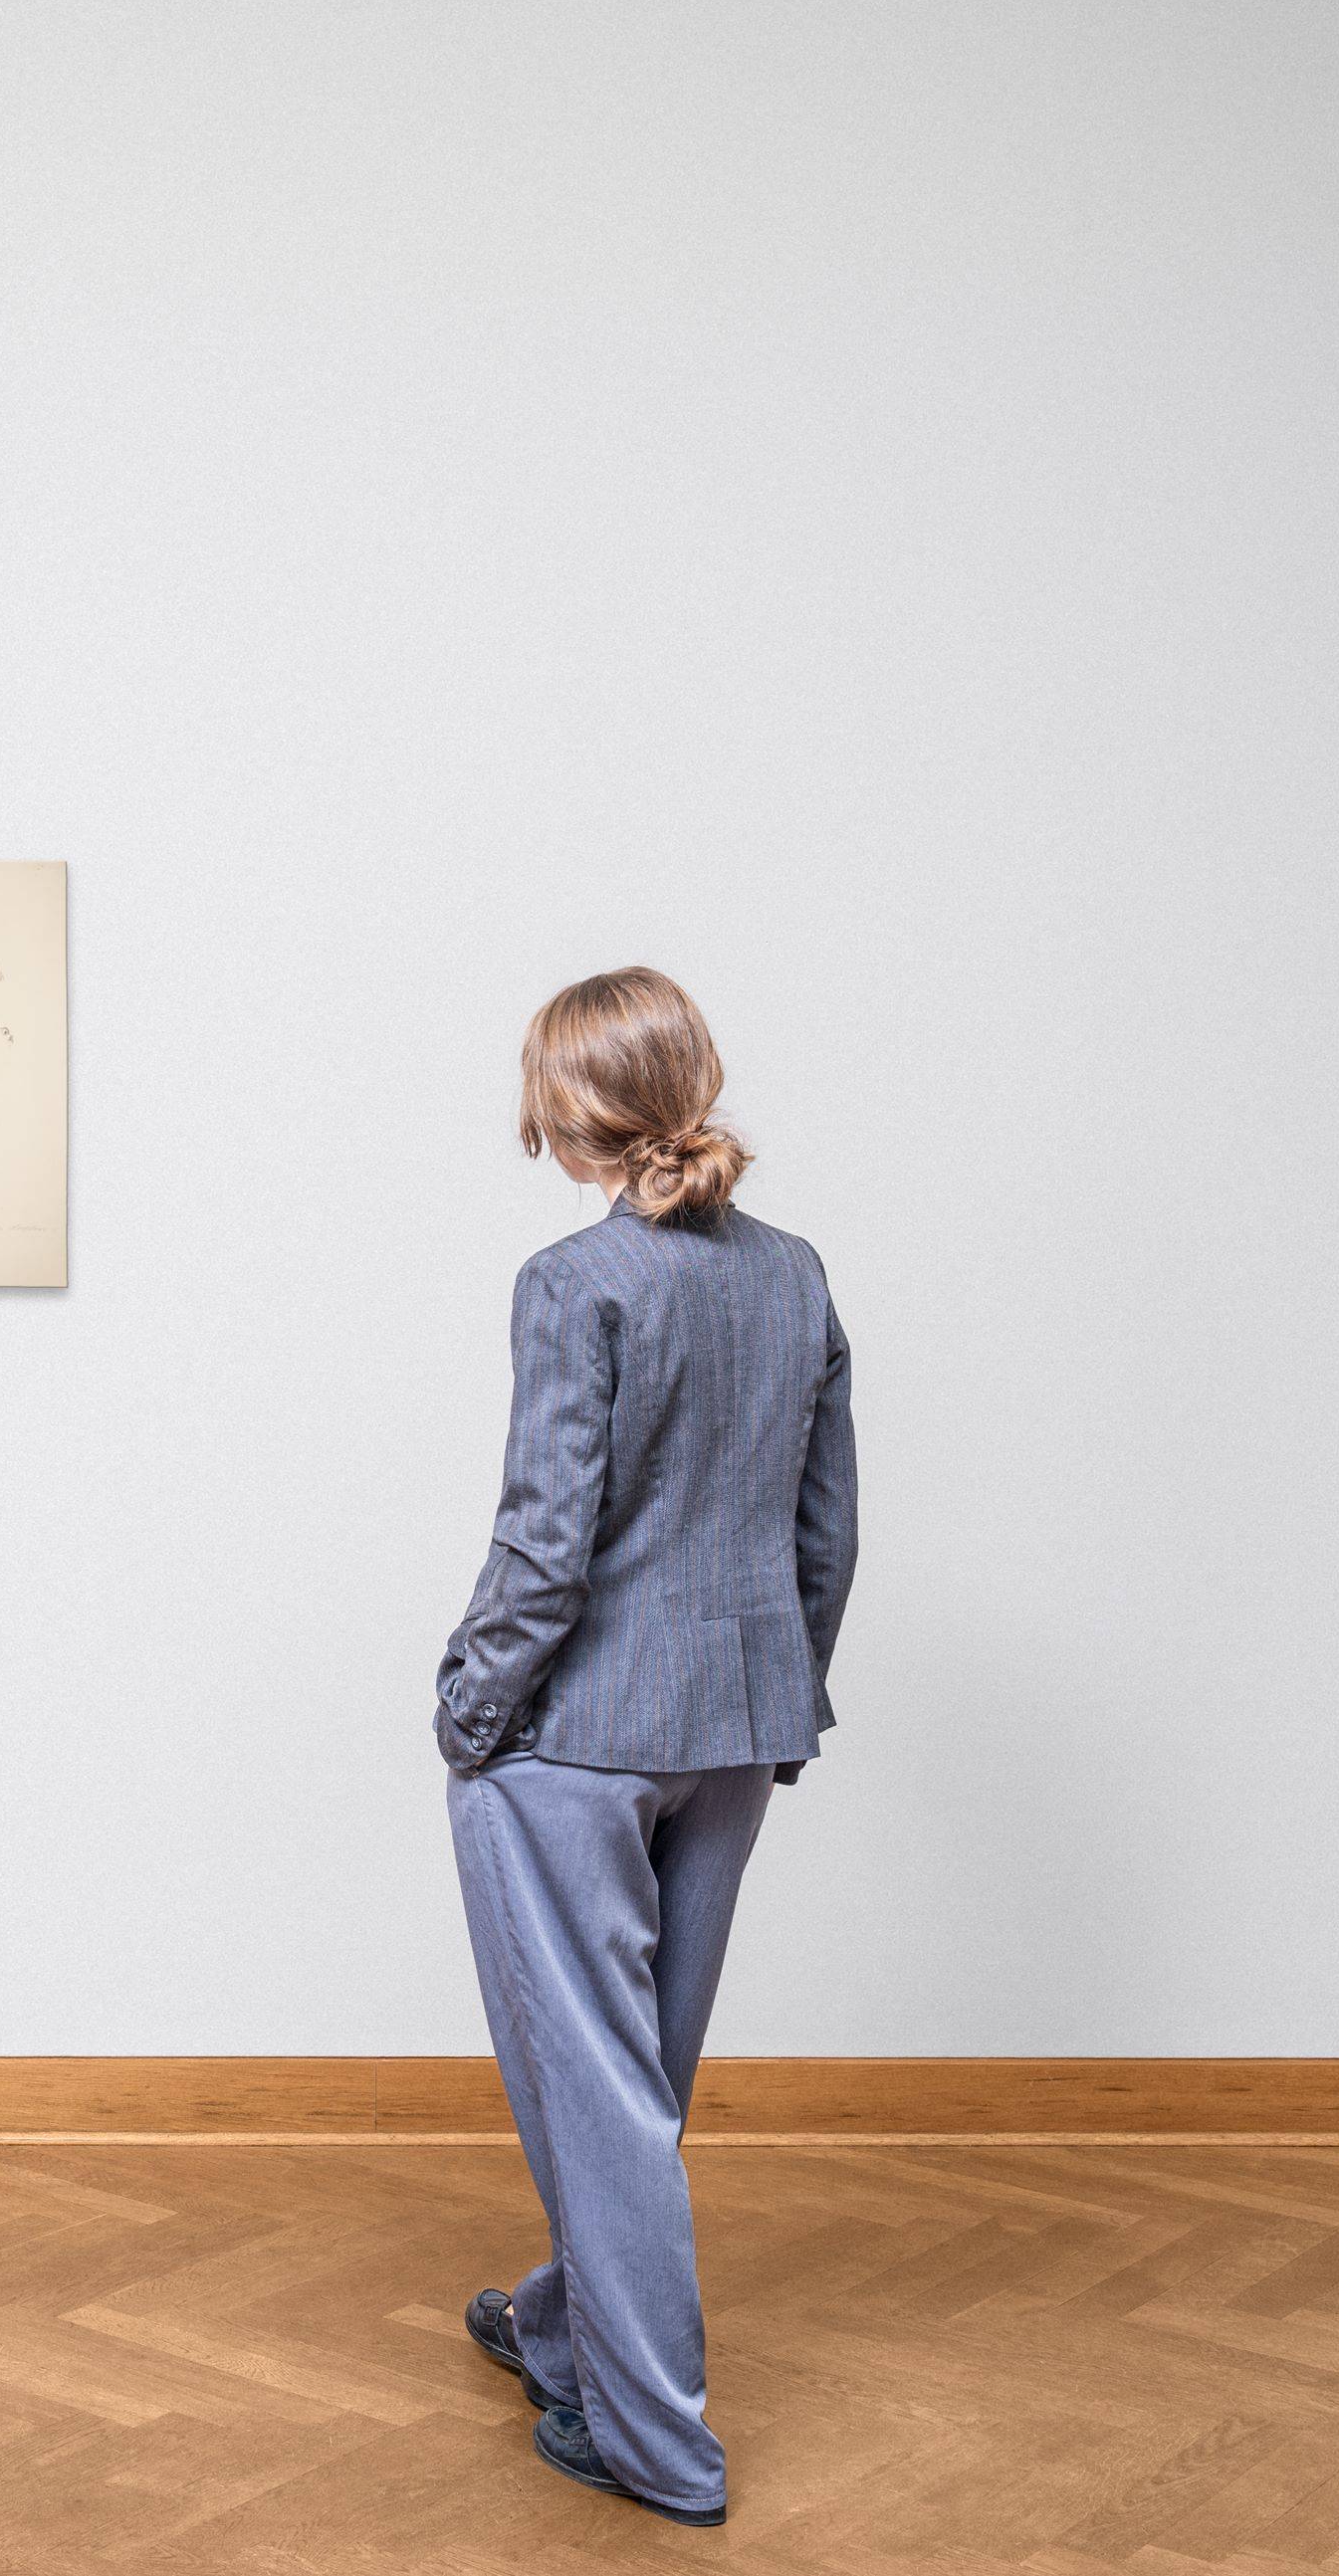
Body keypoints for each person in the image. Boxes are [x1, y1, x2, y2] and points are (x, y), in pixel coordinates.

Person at [436, 966, 857, 2527]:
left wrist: (472, 1709)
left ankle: (653, 2439)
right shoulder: (797, 1272)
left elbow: (547, 1544)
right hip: (733, 1733)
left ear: (570, 1109)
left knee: (600, 2090)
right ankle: (560, 2326)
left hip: (577, 1734)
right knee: (642, 2082)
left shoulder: (576, 1280)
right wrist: (781, 1700)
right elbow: (827, 1527)